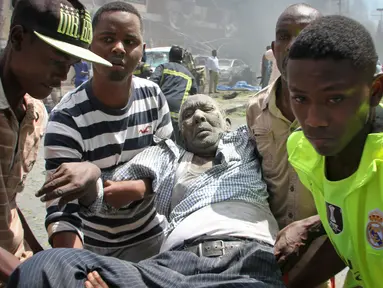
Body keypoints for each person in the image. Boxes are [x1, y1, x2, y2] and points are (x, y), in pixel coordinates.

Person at [10, 94, 284, 288]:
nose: (198, 116)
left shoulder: (247, 141)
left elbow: (283, 107)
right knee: (45, 268)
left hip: (249, 259)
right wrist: (91, 172)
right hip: (173, 267)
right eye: (188, 114)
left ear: (226, 123)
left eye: (206, 110)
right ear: (181, 133)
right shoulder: (166, 157)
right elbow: (105, 195)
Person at [39, 1, 173, 263]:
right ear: (89, 45)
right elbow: (62, 209)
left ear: (142, 51)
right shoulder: (66, 118)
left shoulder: (153, 97)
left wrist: (140, 187)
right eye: (108, 38)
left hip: (152, 240)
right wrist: (77, 268)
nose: (119, 48)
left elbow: (170, 161)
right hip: (92, 248)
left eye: (130, 41)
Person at [0, 0, 111, 284]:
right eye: (57, 60)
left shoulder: (35, 114)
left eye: (71, 65)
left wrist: (42, 261)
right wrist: (41, 278)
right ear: (18, 38)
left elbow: (7, 202)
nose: (64, 76)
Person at [285, 15, 383, 287]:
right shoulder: (304, 151)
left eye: (335, 98)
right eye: (300, 98)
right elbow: (350, 237)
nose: (314, 119)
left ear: (375, 91)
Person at [247, 4, 334, 288]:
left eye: (306, 35)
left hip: (325, 255)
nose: (293, 45)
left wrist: (311, 228)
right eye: (284, 36)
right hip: (266, 256)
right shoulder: (254, 110)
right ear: (274, 48)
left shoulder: (344, 115)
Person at [150, 45, 198, 146]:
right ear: (181, 58)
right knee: (176, 144)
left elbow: (151, 85)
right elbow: (195, 93)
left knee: (157, 142)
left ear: (169, 56)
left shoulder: (163, 67)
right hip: (178, 113)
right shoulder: (189, 75)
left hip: (161, 110)